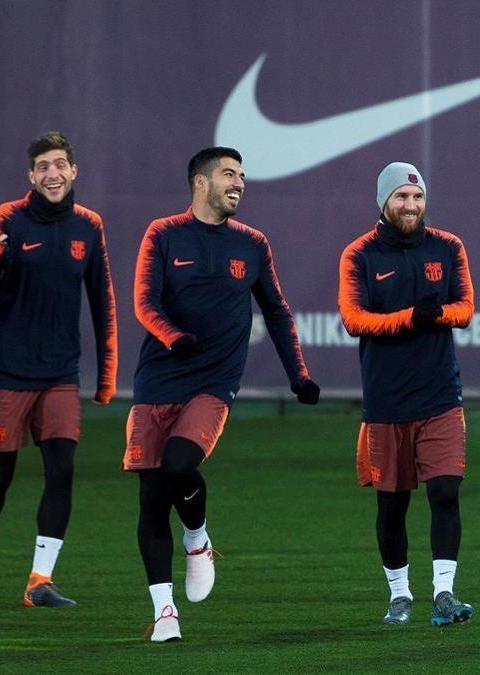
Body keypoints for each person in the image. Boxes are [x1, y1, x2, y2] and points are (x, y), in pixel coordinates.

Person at [127, 146, 319, 642]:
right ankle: (165, 612)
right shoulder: (163, 234)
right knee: (151, 499)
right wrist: (173, 337)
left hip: (213, 382)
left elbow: (276, 311)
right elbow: (144, 303)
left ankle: (197, 538)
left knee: (178, 466)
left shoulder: (252, 243)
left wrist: (298, 375)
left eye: (242, 177)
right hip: (157, 378)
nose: (239, 184)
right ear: (200, 182)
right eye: (229, 175)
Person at [0, 131, 117, 608]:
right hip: (8, 371)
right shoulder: (9, 218)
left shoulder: (89, 226)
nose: (52, 173)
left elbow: (103, 301)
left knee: (62, 472)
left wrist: (106, 374)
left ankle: (39, 581)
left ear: (74, 171)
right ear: (31, 175)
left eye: (60, 164)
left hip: (60, 374)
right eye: (43, 166)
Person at [339, 162, 476, 627]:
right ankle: (399, 595)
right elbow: (353, 319)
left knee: (444, 492)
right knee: (391, 504)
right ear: (383, 202)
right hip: (386, 401)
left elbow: (466, 307)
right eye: (401, 197)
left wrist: (433, 317)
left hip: (440, 396)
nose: (411, 206)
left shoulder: (449, 247)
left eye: (417, 198)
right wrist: (407, 318)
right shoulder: (358, 255)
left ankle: (444, 593)